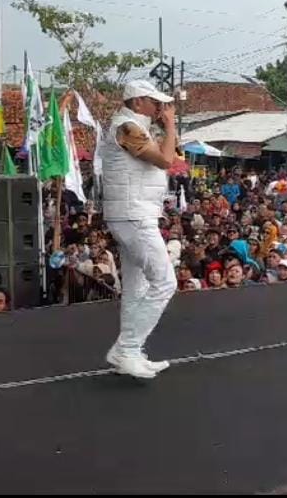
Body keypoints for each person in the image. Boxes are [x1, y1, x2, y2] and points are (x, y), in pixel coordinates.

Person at [100, 79, 177, 380]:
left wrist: (166, 127)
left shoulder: (136, 127)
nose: (160, 107)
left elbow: (170, 154)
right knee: (165, 282)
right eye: (154, 101)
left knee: (137, 287)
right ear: (137, 102)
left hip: (133, 213)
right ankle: (127, 348)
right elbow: (166, 160)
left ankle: (131, 352)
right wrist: (169, 125)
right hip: (133, 215)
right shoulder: (126, 128)